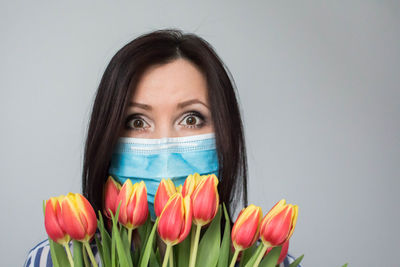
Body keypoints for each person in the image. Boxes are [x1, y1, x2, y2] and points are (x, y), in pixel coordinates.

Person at [24, 28, 302, 267]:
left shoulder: (267, 261)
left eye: (191, 119)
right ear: (106, 137)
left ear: (226, 135)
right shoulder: (50, 260)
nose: (165, 147)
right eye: (136, 121)